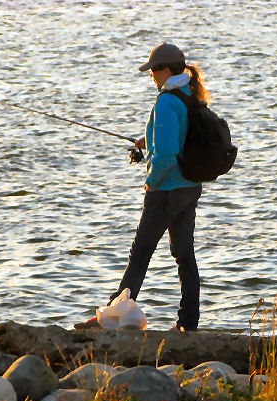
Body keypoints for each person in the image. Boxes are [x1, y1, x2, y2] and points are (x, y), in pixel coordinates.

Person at [78, 43, 210, 332]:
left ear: (165, 70)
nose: (151, 75)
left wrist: (151, 183)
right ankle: (188, 325)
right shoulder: (190, 94)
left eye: (153, 70)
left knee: (140, 254)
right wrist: (146, 140)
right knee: (185, 256)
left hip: (166, 191)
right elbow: (178, 138)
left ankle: (111, 318)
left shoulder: (165, 101)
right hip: (190, 187)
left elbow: (165, 155)